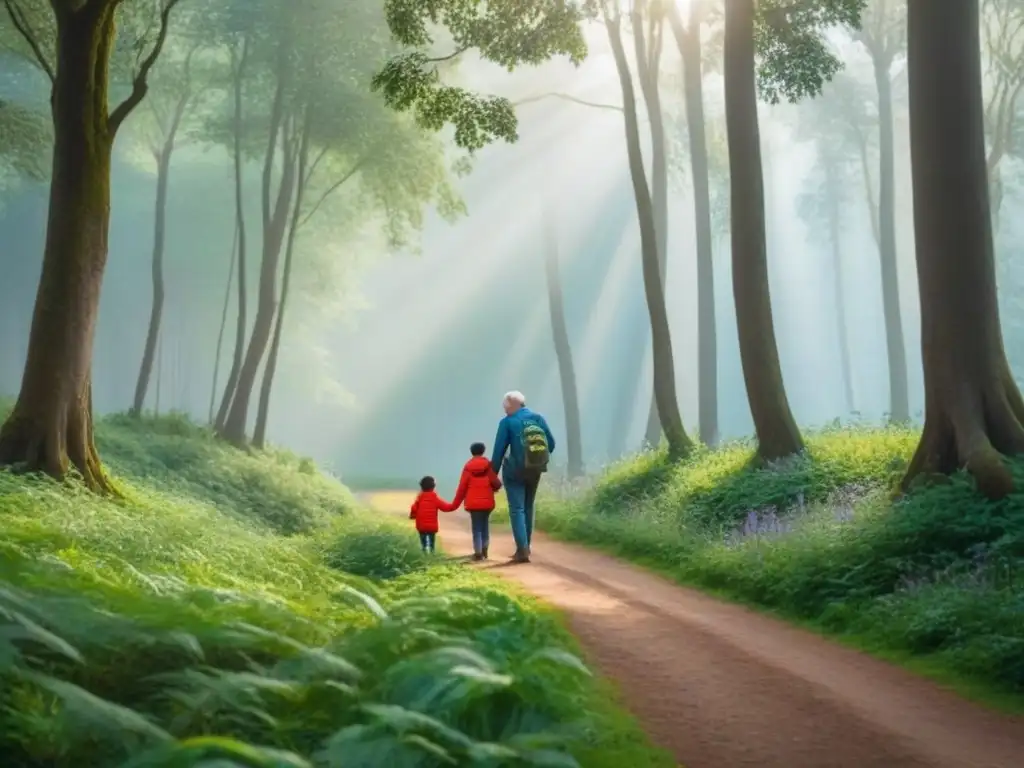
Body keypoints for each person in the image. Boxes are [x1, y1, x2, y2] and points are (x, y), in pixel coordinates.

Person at [490, 390, 555, 563]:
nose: (504, 409)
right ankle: (527, 547)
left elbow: (498, 452)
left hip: (515, 471)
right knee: (528, 506)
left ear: (513, 405)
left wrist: (492, 477)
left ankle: (522, 550)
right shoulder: (538, 418)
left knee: (517, 509)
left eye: (506, 406)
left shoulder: (507, 422)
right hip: (536, 469)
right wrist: (537, 459)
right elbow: (552, 444)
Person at [448, 442, 503, 561]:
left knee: (476, 527)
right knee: (485, 526)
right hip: (487, 503)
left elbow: (462, 487)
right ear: (483, 451)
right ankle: (485, 550)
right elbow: (497, 483)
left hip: (473, 504)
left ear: (471, 452)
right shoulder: (488, 466)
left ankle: (477, 553)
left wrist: (454, 505)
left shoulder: (468, 467)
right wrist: (493, 488)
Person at [409, 475, 456, 553]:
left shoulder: (419, 498)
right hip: (432, 526)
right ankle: (432, 552)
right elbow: (446, 507)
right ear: (433, 487)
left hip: (421, 526)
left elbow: (414, 508)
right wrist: (455, 505)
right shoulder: (435, 499)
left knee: (423, 541)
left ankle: (424, 552)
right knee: (431, 542)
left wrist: (413, 516)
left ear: (421, 486)